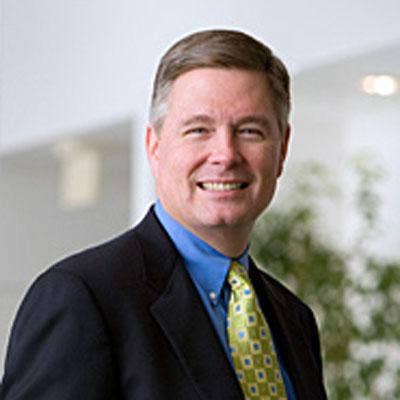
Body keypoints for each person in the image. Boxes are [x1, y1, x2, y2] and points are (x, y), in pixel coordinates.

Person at [1, 29, 327, 399]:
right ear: (154, 147)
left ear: (282, 150)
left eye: (249, 131)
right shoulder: (83, 298)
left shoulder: (294, 317)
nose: (225, 154)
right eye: (199, 130)